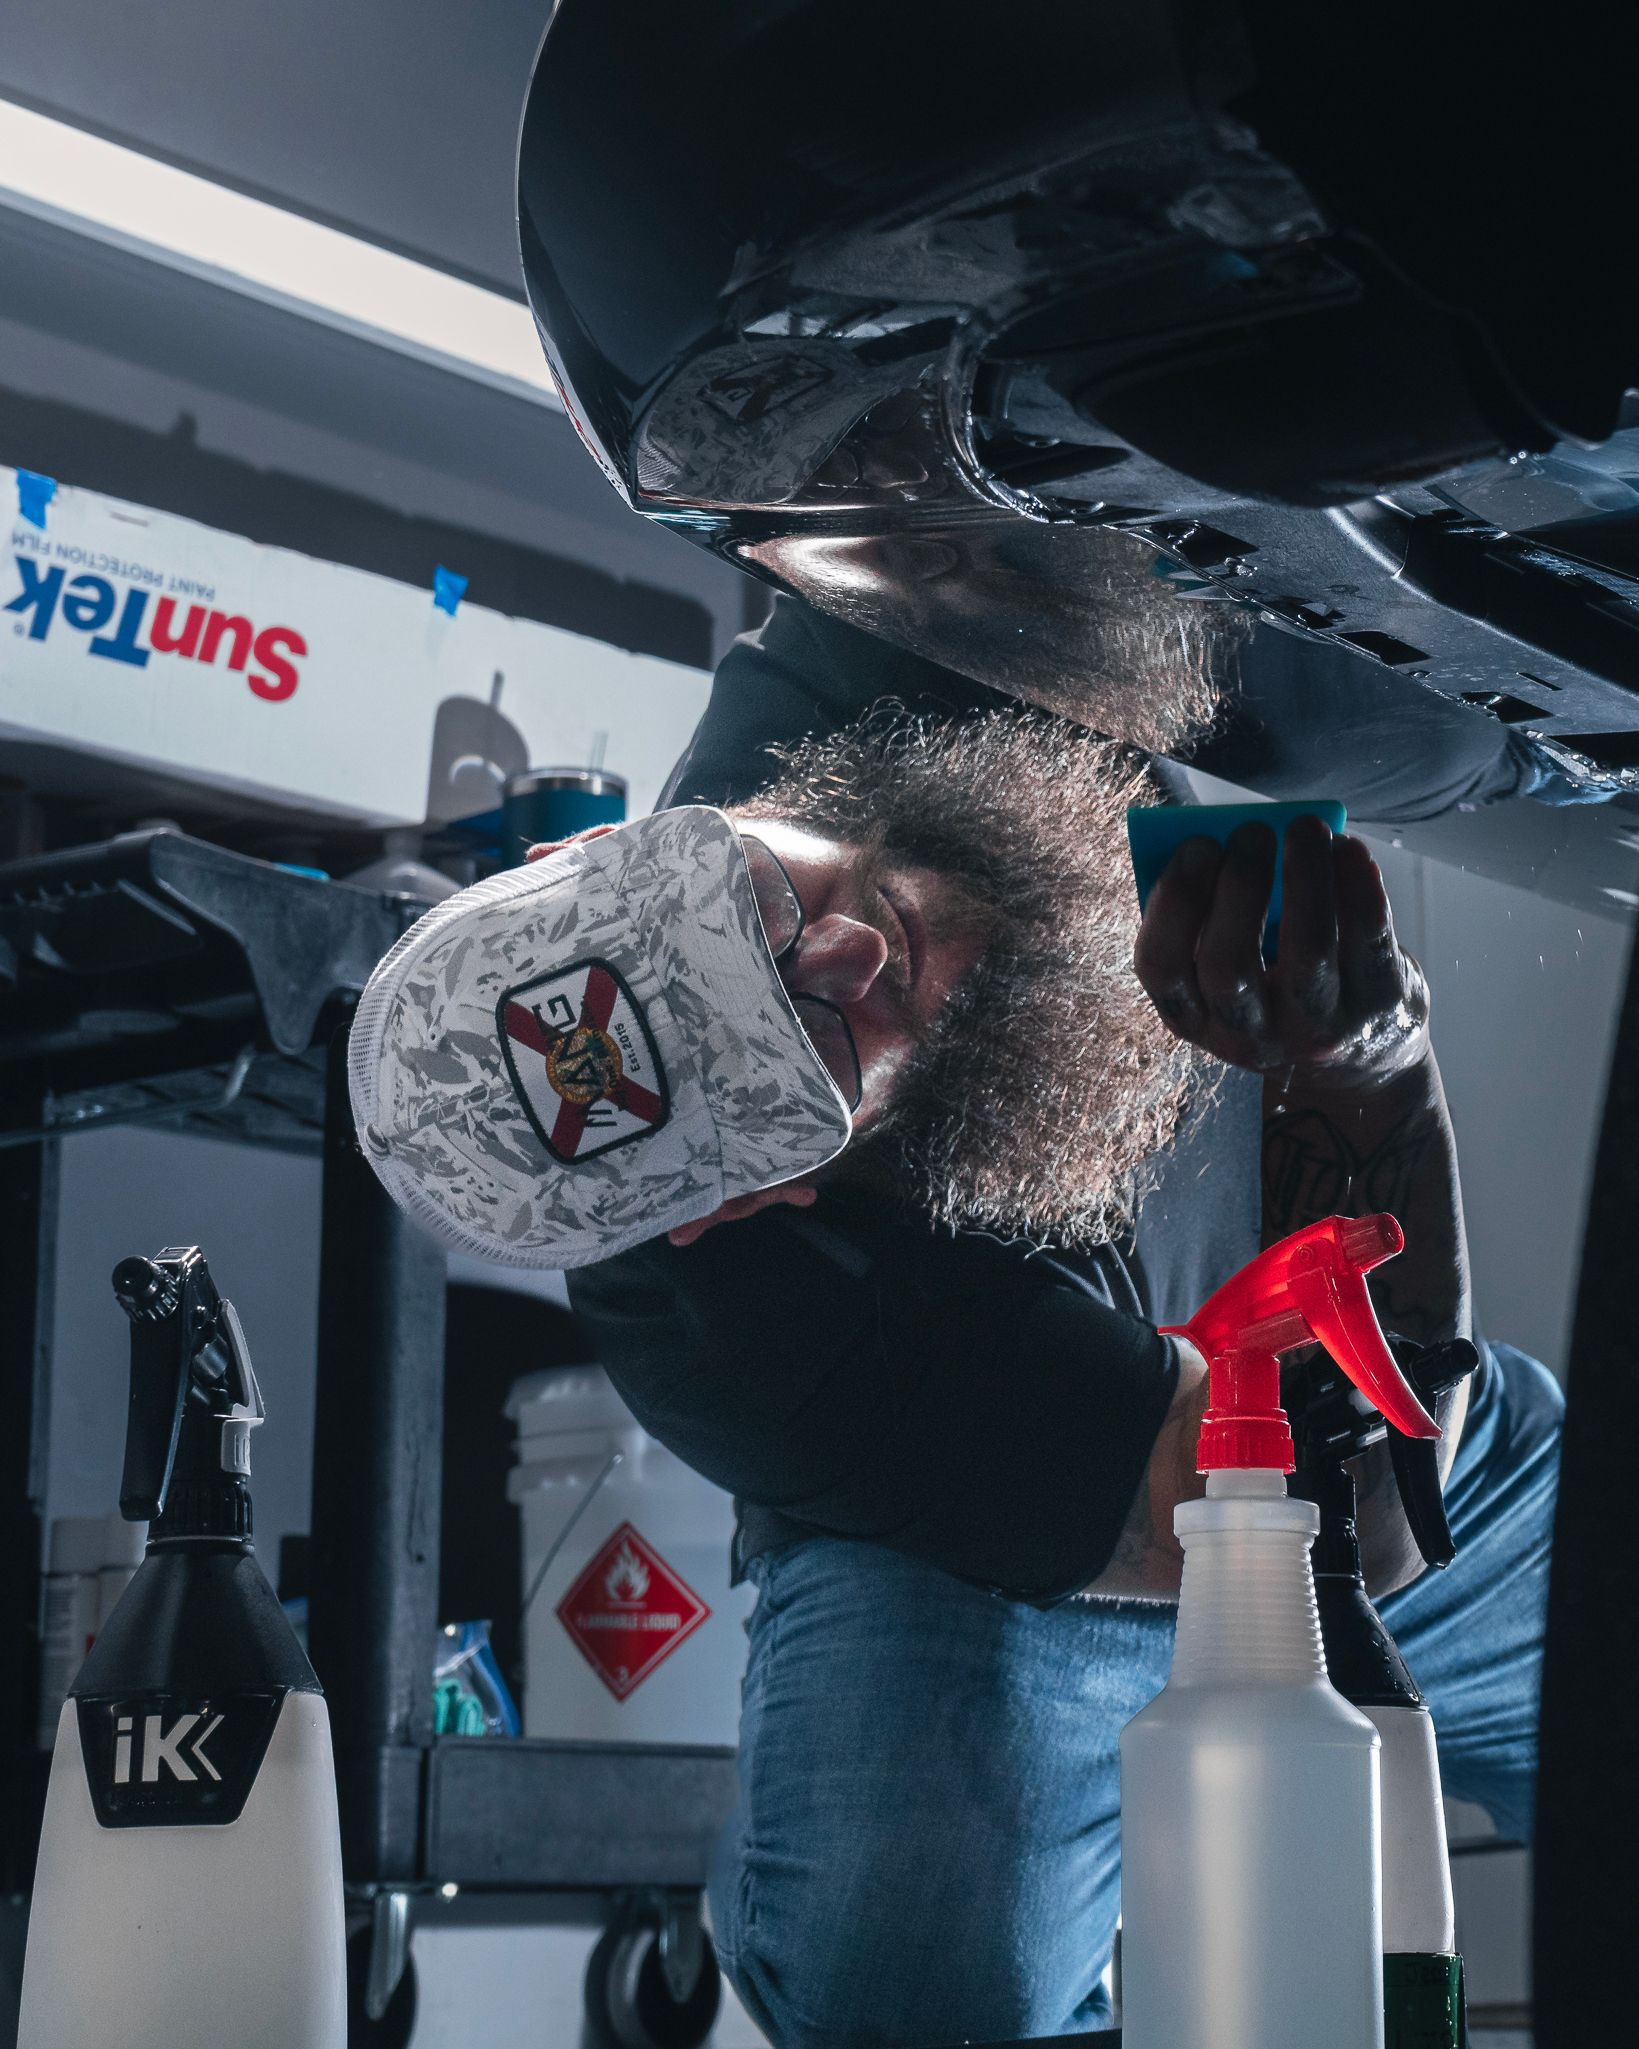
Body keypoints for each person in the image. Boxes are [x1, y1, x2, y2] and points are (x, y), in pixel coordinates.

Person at [553, 603, 1561, 2046]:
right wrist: (1375, 1076)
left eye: (756, 909)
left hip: (1313, 1374)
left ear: (602, 859)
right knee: (918, 1980)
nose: (847, 947)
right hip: (1019, 1554)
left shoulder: (868, 646)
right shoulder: (748, 1322)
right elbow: (1340, 1521)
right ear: (731, 1197)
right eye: (796, 1045)